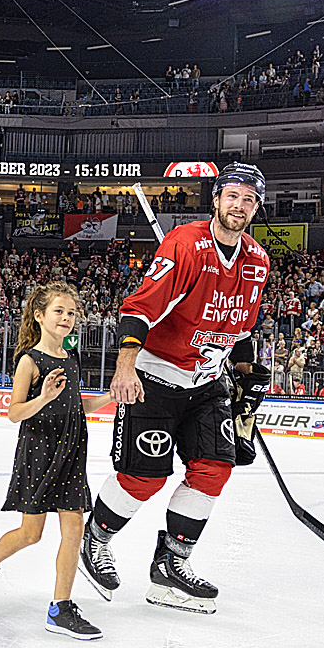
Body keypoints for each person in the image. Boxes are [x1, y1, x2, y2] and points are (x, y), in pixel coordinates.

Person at [78, 162, 271, 615]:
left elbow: (242, 327)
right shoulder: (184, 244)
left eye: (249, 200)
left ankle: (171, 564)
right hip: (156, 376)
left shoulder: (257, 260)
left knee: (214, 468)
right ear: (216, 199)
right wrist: (125, 368)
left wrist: (245, 374)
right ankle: (96, 540)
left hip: (207, 382)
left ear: (256, 208)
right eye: (232, 196)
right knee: (144, 477)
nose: (239, 205)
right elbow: (138, 309)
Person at [0, 282, 111, 640]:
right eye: (58, 311)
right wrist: (44, 396)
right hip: (39, 451)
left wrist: (112, 396)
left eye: (71, 313)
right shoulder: (29, 361)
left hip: (71, 450)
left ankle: (60, 608)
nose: (66, 318)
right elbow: (15, 412)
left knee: (74, 529)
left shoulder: (71, 357)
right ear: (39, 315)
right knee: (31, 533)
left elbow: (77, 404)